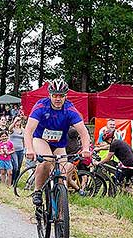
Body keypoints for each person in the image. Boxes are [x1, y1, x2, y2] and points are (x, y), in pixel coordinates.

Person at [24, 78, 91, 206]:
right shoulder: (41, 106)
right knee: (47, 161)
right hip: (41, 139)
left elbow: (83, 132)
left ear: (66, 96)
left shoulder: (69, 109)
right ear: (50, 95)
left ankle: (61, 207)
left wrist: (86, 148)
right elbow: (28, 130)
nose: (58, 99)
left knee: (63, 171)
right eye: (54, 95)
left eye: (61, 96)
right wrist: (29, 149)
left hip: (59, 144)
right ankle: (37, 191)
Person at [9, 116, 25, 184]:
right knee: (15, 166)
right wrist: (14, 121)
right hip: (13, 150)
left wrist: (25, 149)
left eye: (19, 120)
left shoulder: (22, 130)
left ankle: (16, 180)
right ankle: (12, 180)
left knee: (19, 166)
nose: (18, 122)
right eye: (17, 120)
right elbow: (9, 128)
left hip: (20, 149)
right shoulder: (12, 129)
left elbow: (24, 140)